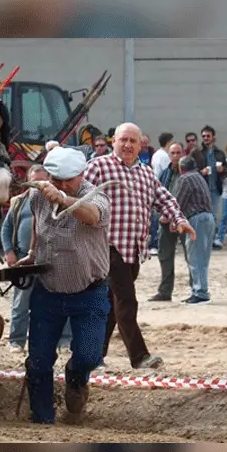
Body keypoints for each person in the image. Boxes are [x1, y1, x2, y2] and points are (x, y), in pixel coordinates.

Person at [84, 123, 195, 370]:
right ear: (113, 141)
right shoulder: (98, 167)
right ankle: (139, 356)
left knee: (113, 306)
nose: (128, 145)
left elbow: (164, 198)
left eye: (133, 141)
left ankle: (92, 356)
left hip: (133, 250)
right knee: (126, 301)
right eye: (123, 140)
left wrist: (180, 220)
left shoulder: (145, 173)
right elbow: (80, 197)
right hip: (107, 248)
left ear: (140, 145)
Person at [22, 146, 111, 423]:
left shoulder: (96, 195)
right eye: (55, 179)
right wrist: (32, 253)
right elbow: (39, 225)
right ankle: (42, 419)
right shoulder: (38, 196)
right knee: (38, 361)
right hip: (47, 290)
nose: (59, 185)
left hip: (89, 292)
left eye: (67, 180)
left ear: (81, 175)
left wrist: (63, 198)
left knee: (89, 354)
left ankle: (76, 375)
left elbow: (92, 216)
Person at [1, 164, 48, 353]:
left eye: (43, 181)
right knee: (21, 302)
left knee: (53, 302)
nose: (38, 185)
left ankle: (61, 341)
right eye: (35, 181)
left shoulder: (53, 201)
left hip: (48, 260)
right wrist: (8, 252)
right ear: (28, 181)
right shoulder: (19, 202)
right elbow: (6, 229)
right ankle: (16, 340)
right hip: (23, 259)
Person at [149, 141, 189, 302]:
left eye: (178, 153)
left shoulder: (188, 174)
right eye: (172, 153)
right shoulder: (165, 173)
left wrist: (177, 218)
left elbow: (188, 198)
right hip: (165, 221)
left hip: (183, 220)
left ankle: (197, 290)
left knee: (190, 256)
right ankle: (165, 291)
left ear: (183, 154)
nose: (175, 156)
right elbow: (158, 195)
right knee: (165, 255)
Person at [175, 156, 217, 304]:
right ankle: (201, 290)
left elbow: (178, 201)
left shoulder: (185, 179)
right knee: (203, 258)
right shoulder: (199, 177)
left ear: (181, 168)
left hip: (197, 219)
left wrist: (169, 218)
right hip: (209, 218)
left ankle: (200, 293)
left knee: (195, 257)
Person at [189, 125, 227, 250]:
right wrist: (201, 172)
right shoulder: (196, 152)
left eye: (208, 136)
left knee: (213, 216)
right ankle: (200, 239)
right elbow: (189, 169)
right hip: (201, 190)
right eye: (203, 136)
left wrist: (223, 170)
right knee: (201, 215)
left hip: (215, 188)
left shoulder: (219, 153)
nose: (205, 138)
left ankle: (212, 239)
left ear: (213, 137)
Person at [148, 132, 174, 255]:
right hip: (159, 188)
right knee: (157, 218)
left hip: (155, 187)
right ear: (168, 142)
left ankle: (156, 243)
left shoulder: (156, 154)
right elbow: (164, 174)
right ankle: (155, 243)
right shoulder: (164, 156)